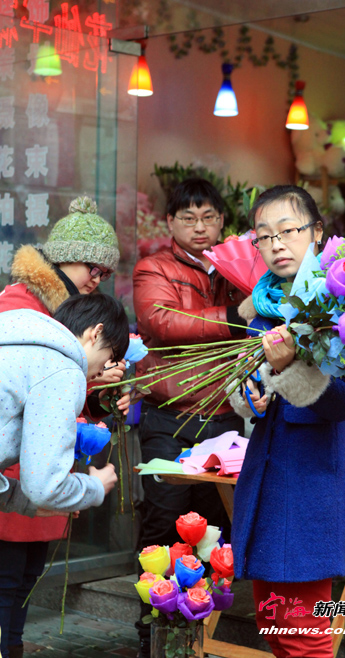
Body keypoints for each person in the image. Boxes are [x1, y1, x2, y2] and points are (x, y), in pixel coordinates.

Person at [228, 185, 345, 658]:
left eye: (288, 231)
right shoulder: (259, 310)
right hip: (265, 482)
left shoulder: (341, 306)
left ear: (317, 232)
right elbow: (247, 386)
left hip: (307, 489)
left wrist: (288, 368)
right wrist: (249, 396)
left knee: (302, 635)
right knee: (273, 623)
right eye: (264, 236)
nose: (276, 244)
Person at [0, 196, 130, 658]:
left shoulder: (63, 313)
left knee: (22, 581)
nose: (97, 278)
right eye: (93, 267)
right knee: (9, 581)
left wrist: (95, 392)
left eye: (104, 272)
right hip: (24, 469)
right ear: (63, 258)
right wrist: (90, 487)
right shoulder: (22, 304)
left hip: (26, 472)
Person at [133, 178, 247, 656]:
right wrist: (236, 314)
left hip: (224, 418)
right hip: (170, 417)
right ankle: (154, 630)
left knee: (215, 528)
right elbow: (162, 322)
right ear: (170, 222)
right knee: (165, 520)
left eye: (208, 218)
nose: (199, 228)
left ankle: (199, 634)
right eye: (188, 218)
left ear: (222, 221)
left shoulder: (239, 270)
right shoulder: (153, 267)